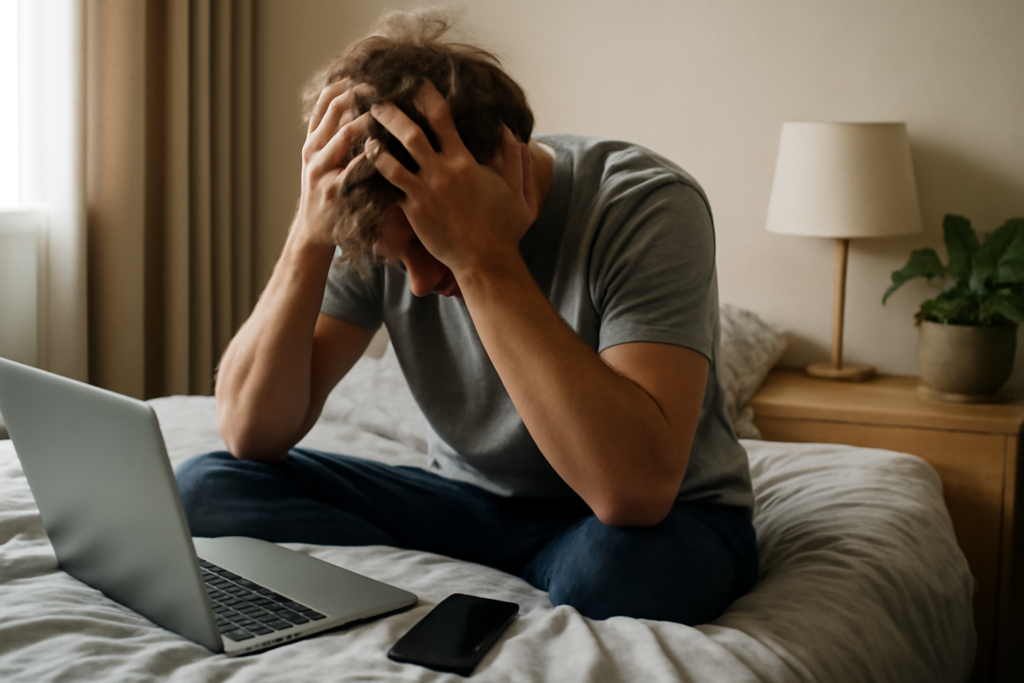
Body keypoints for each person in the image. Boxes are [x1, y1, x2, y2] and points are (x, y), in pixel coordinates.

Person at [175, 8, 758, 625]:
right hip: (468, 502)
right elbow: (251, 432)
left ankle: (555, 563)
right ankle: (527, 564)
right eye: (397, 263)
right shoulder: (383, 214)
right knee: (206, 488)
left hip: (641, 514)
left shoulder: (644, 204)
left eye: (430, 249)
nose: (421, 283)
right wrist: (309, 232)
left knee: (628, 576)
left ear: (507, 164)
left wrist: (483, 259)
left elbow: (634, 493)